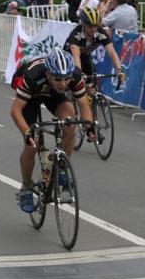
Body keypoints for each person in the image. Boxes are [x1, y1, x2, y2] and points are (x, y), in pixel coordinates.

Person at [9, 48, 94, 213]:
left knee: (70, 122)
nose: (63, 83)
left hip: (53, 94)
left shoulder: (74, 76)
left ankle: (61, 168)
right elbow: (15, 110)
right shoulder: (33, 76)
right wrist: (27, 133)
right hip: (31, 96)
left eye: (66, 79)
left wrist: (89, 127)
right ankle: (26, 187)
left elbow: (84, 105)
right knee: (31, 145)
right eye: (58, 79)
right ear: (48, 74)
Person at [65, 7, 125, 91]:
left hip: (85, 56)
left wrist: (119, 70)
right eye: (90, 26)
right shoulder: (76, 34)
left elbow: (111, 52)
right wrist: (78, 73)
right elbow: (76, 55)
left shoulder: (101, 33)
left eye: (95, 26)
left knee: (92, 85)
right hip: (70, 58)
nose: (93, 29)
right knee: (75, 84)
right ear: (84, 24)